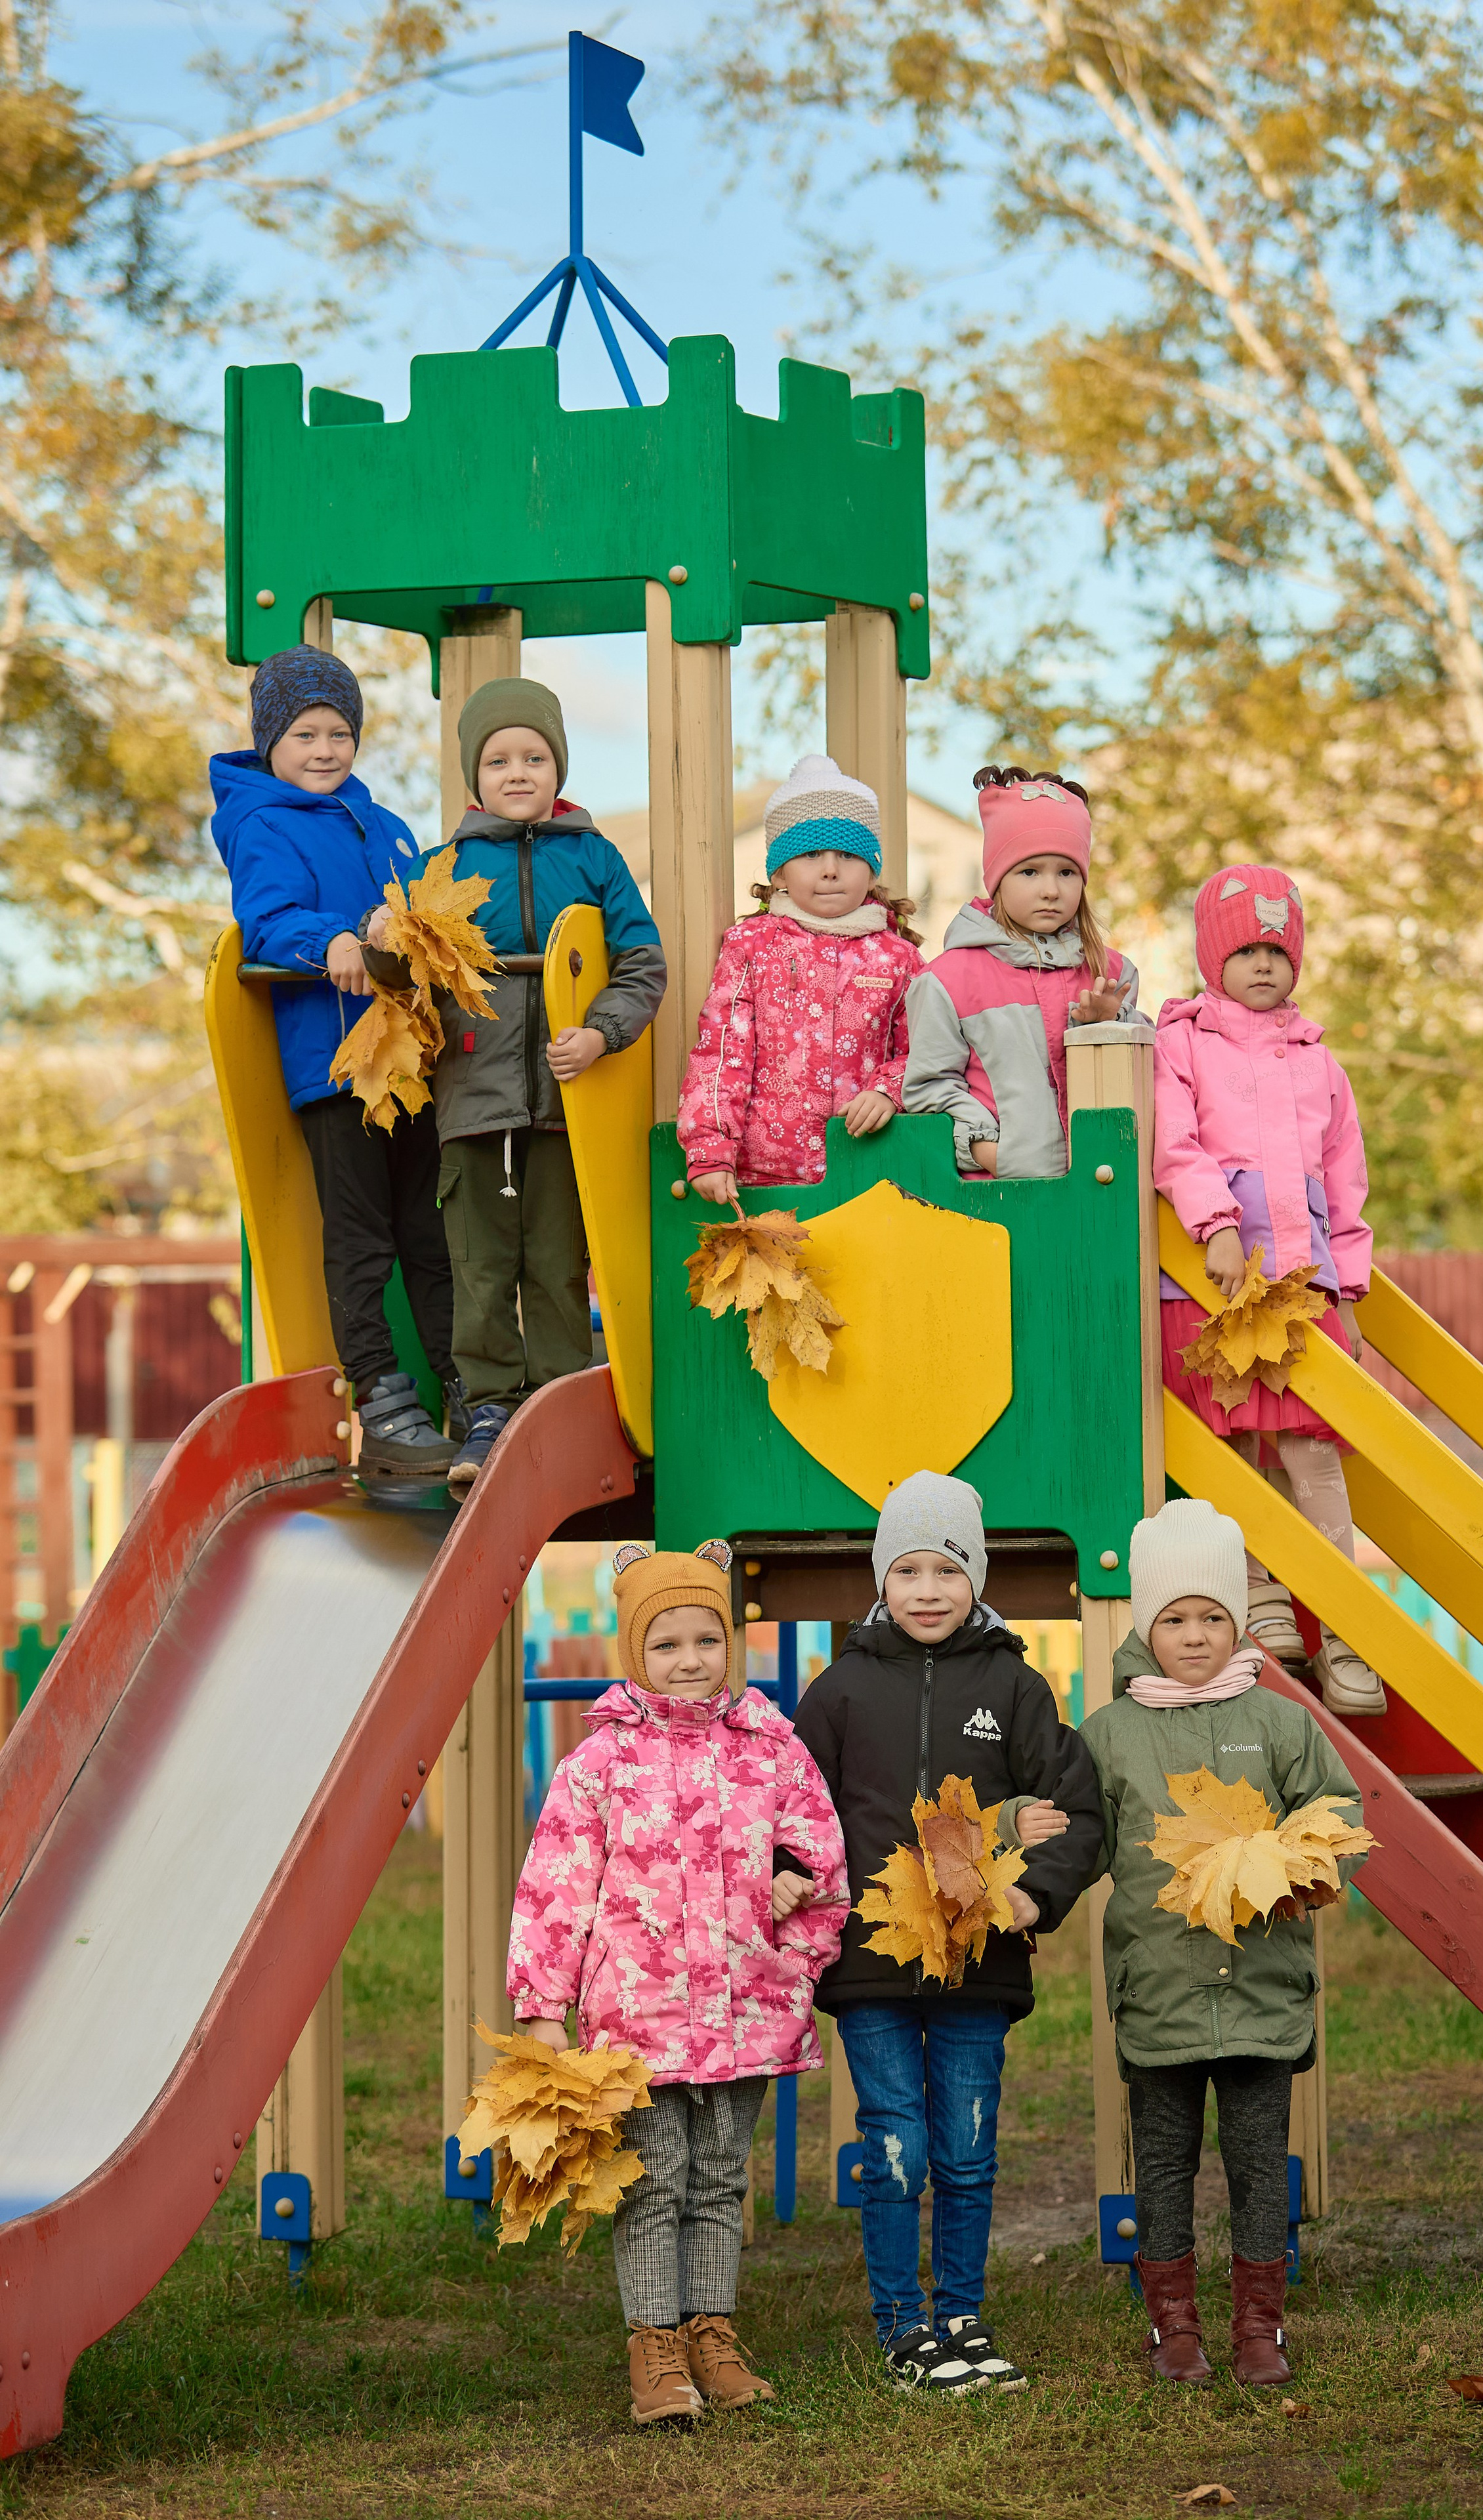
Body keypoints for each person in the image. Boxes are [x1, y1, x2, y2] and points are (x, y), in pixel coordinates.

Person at [508, 1542, 848, 2427]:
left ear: (730, 1643)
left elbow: (822, 1859)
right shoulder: (601, 1764)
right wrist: (545, 2009)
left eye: (707, 1639)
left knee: (721, 2180)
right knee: (653, 2179)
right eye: (667, 1645)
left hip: (745, 2012)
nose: (691, 1660)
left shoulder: (771, 1750)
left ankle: (712, 2332)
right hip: (640, 2021)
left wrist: (794, 1946)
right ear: (635, 1653)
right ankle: (655, 2347)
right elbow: (556, 1887)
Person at [793, 1471, 1104, 2395]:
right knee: (897, 2143)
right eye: (909, 1571)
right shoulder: (839, 1692)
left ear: (978, 1577)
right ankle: (903, 2327)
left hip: (980, 1959)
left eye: (948, 1571)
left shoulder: (1014, 1688)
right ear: (882, 1578)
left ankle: (961, 2315)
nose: (928, 1591)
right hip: (871, 1963)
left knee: (967, 2144)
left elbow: (1074, 1809)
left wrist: (1035, 1895)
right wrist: (797, 1886)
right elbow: (796, 1809)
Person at [1074, 1497, 1366, 2388]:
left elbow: (1335, 1810)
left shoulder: (1280, 1723)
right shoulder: (1112, 1733)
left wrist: (1310, 1865)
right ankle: (1174, 2326)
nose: (1194, 1636)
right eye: (1175, 1618)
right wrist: (1017, 1827)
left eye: (1213, 1618)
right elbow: (1075, 1834)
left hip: (1260, 1986)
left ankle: (1259, 2326)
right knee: (1162, 2162)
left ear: (1237, 1623)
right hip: (1158, 1988)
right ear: (1146, 1625)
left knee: (1255, 2159)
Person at [364, 677, 665, 1491]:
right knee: (482, 1266)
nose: (519, 771)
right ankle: (490, 1408)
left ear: (558, 768)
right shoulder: (446, 866)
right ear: (475, 776)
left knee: (559, 1262)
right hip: (475, 1100)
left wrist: (602, 1032)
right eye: (499, 760)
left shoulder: (593, 858)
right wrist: (382, 934)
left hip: (568, 1108)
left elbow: (641, 961)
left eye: (535, 756)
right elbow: (401, 965)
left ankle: (563, 1402)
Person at [210, 646, 459, 1480]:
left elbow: (418, 913)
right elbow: (269, 921)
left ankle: (465, 1385)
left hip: (406, 1060)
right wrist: (335, 940)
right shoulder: (262, 823)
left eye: (340, 734)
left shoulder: (384, 825)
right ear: (271, 742)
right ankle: (384, 1402)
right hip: (335, 1066)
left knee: (433, 1229)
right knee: (361, 1236)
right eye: (306, 734)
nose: (325, 751)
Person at [1155, 863, 1385, 1714]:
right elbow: (1174, 1146)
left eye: (1277, 953)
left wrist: (1347, 1289)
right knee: (1233, 1450)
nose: (1262, 966)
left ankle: (1351, 1628)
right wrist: (1215, 1223)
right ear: (1214, 958)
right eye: (1245, 950)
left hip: (1300, 1290)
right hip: (1214, 1286)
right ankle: (1261, 1598)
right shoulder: (1181, 1043)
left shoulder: (1318, 1062)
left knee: (1312, 1454)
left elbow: (1344, 1179)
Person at [677, 754, 923, 1200]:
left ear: (872, 869)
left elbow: (927, 1050)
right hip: (761, 1177)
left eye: (848, 855)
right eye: (811, 854)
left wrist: (889, 1091)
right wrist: (711, 1148)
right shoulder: (751, 945)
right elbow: (721, 1052)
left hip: (869, 1172)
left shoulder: (898, 958)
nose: (831, 868)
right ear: (779, 872)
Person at [901, 765, 1144, 1179]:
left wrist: (1108, 1026)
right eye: (1029, 871)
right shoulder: (948, 980)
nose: (1051, 889)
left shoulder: (1112, 971)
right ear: (997, 879)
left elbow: (1144, 1074)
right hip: (1000, 1199)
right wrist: (990, 1151)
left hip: (1106, 1188)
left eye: (1066, 872)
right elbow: (929, 1088)